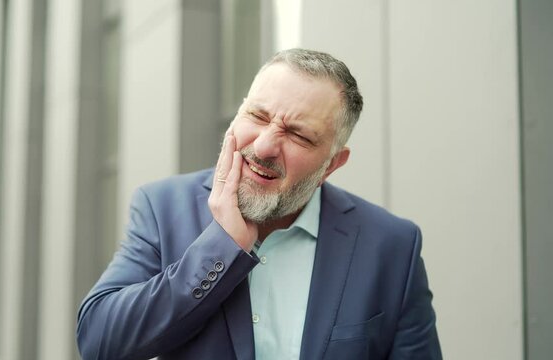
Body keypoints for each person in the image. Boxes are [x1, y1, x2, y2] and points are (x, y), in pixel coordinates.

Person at [76, 48, 442, 360]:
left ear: (332, 164)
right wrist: (221, 249)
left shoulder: (392, 245)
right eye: (258, 116)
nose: (265, 146)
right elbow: (99, 340)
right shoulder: (162, 207)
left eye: (298, 134)